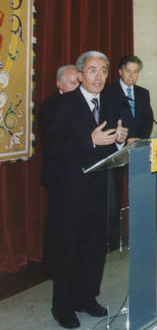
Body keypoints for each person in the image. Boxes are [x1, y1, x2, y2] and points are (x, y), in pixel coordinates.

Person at [41, 51, 128, 329]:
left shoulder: (110, 102)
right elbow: (53, 147)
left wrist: (119, 140)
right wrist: (89, 140)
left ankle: (87, 298)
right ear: (80, 75)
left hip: (100, 189)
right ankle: (63, 307)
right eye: (92, 70)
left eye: (103, 70)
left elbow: (111, 143)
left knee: (94, 251)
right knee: (68, 249)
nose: (98, 76)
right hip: (70, 191)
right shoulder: (62, 104)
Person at [103, 55, 155, 247]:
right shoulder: (108, 92)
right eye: (128, 71)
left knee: (139, 194)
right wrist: (123, 139)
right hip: (115, 151)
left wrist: (139, 138)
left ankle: (138, 234)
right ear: (120, 72)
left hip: (138, 150)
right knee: (114, 197)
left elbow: (148, 119)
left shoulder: (143, 93)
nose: (132, 75)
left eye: (136, 72)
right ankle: (113, 240)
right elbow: (107, 120)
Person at [40, 65, 80, 282]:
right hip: (59, 175)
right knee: (59, 223)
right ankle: (54, 268)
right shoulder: (50, 106)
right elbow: (53, 145)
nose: (77, 87)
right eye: (72, 83)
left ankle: (72, 266)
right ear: (59, 84)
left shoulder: (79, 104)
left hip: (77, 175)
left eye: (78, 83)